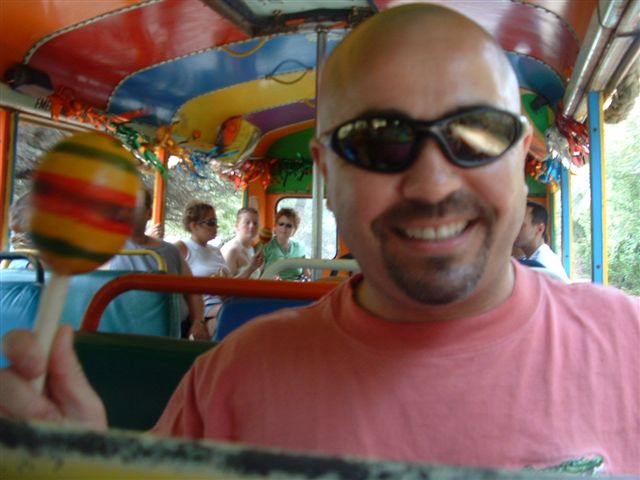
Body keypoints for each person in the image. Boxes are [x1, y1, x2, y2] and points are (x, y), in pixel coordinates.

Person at [0, 4, 638, 475]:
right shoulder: (233, 381)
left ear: (521, 155)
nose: (432, 183)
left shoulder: (627, 347)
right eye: (379, 139)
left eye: (476, 133)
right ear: (327, 172)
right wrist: (81, 468)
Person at [109, 189, 208, 340]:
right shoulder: (107, 250)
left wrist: (197, 322)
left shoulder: (170, 251)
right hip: (125, 330)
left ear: (148, 213)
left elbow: (193, 291)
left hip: (175, 329)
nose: (128, 211)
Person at [174, 200, 262, 334]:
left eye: (216, 222)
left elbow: (231, 285)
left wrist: (251, 267)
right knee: (235, 315)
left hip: (225, 301)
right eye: (211, 222)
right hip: (203, 307)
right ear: (194, 226)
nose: (216, 227)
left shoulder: (215, 251)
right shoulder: (182, 248)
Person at [514, 201, 570, 282]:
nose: (514, 229)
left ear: (540, 229)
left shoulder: (543, 264)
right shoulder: (529, 258)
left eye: (521, 225)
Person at [261, 207, 310, 280]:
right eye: (281, 224)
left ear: (294, 230)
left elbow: (307, 274)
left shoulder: (300, 247)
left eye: (289, 226)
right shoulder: (265, 246)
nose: (284, 228)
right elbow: (257, 274)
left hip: (297, 285)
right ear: (275, 226)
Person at [220, 207, 264, 278]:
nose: (252, 226)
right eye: (247, 222)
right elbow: (227, 283)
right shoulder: (231, 250)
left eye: (255, 223)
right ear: (237, 225)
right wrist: (250, 268)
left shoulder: (250, 248)